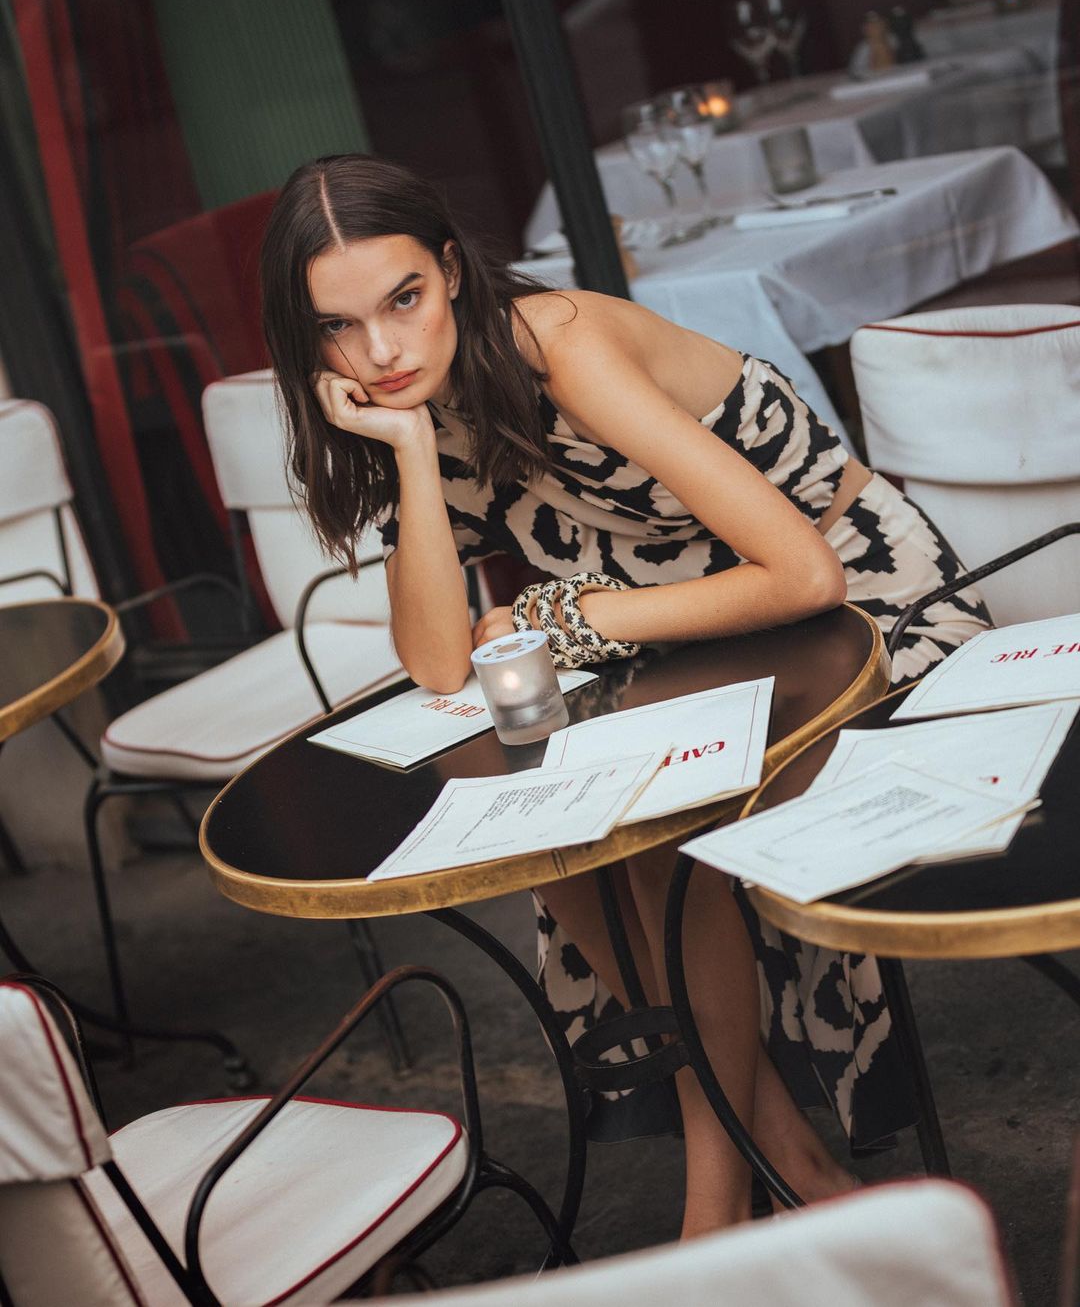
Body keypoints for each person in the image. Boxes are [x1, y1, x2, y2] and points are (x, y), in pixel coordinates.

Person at [259, 153, 989, 1236]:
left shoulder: (563, 347)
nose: (381, 350)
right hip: (692, 644)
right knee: (569, 841)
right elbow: (438, 662)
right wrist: (410, 448)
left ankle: (718, 1199)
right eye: (339, 326)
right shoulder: (418, 396)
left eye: (404, 299)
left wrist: (573, 615)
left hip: (871, 614)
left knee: (653, 834)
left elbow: (805, 576)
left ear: (450, 270)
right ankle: (784, 1158)